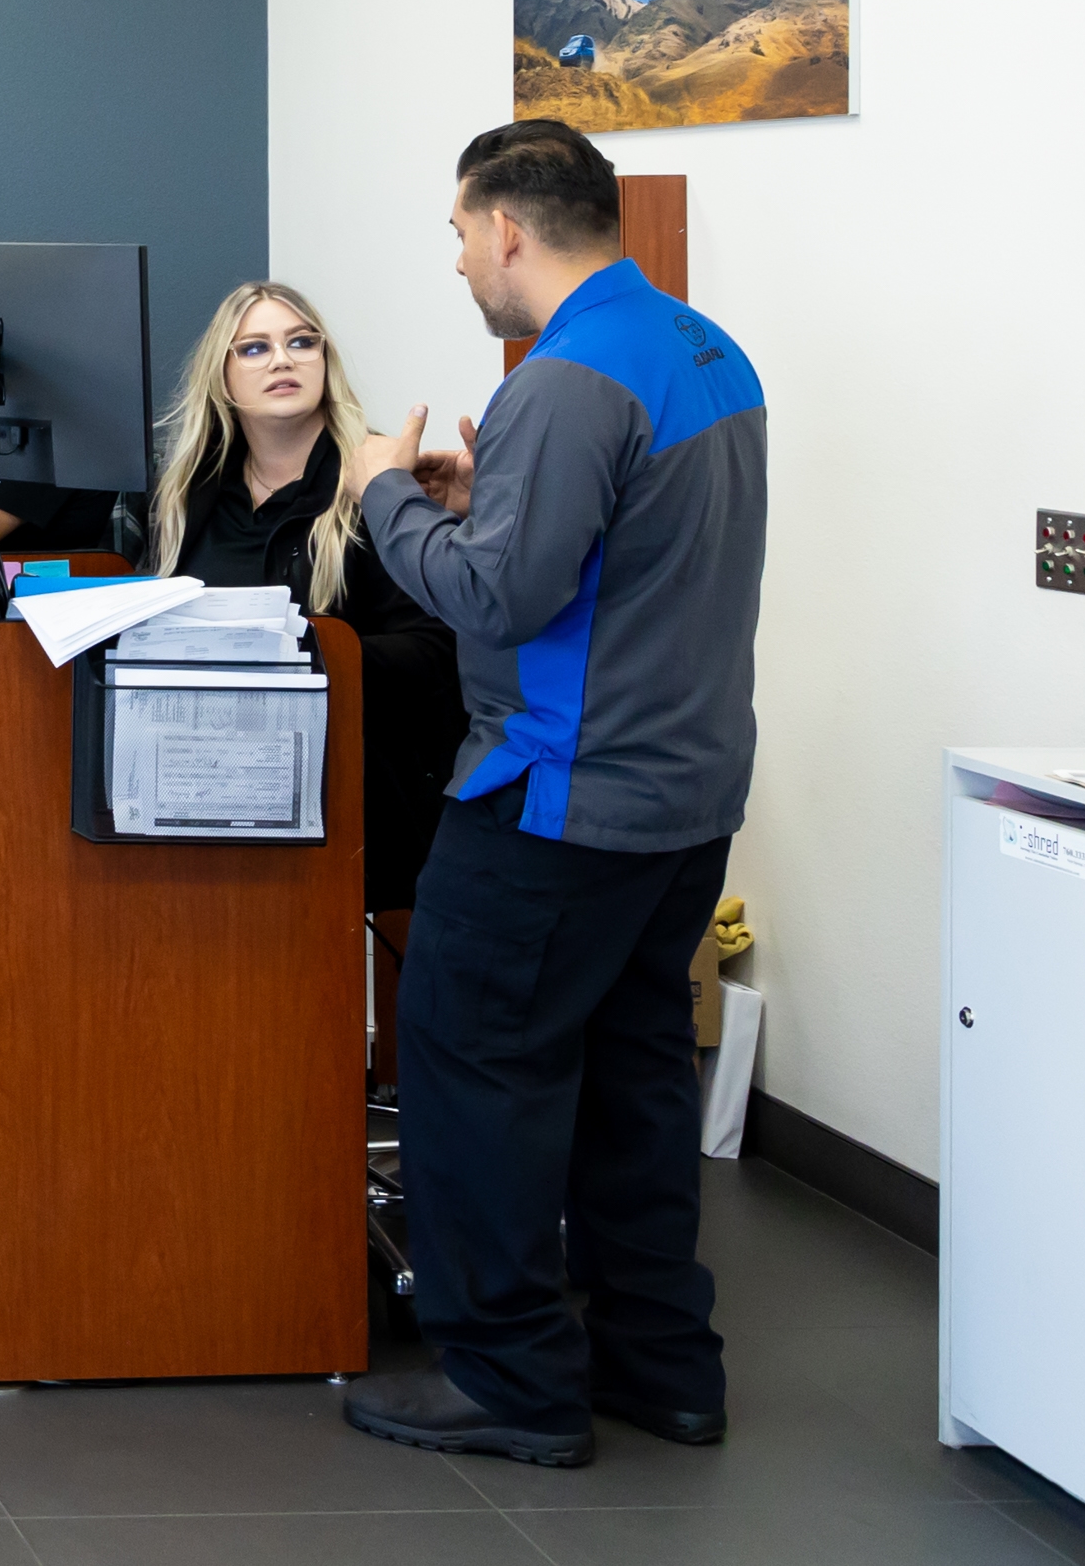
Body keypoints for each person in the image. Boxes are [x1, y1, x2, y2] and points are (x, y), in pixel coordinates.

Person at [341, 121, 766, 1468]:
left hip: (556, 800)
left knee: (471, 1064)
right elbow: (614, 558)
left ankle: (511, 1374)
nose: (463, 257)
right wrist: (485, 501)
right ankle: (663, 1363)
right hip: (686, 795)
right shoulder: (702, 347)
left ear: (509, 228)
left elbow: (497, 595)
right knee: (635, 1074)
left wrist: (385, 496)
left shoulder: (564, 378)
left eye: (462, 232)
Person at [143, 279, 463, 922]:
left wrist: (294, 652)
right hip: (207, 790)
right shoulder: (185, 500)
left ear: (325, 361)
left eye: (300, 342)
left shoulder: (377, 483)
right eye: (255, 348)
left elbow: (437, 651)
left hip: (356, 791)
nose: (283, 359)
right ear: (223, 378)